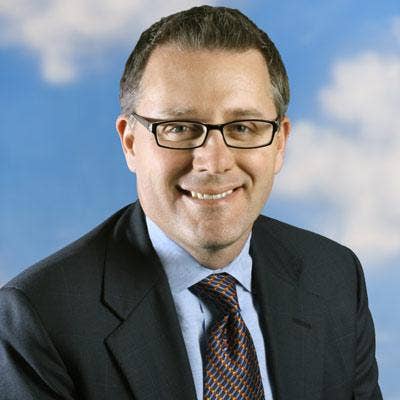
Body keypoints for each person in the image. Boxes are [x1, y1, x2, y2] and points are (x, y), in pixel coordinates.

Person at [0, 5, 382, 400]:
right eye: (179, 127)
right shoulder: (40, 318)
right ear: (130, 143)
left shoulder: (334, 277)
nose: (214, 162)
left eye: (243, 127)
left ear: (280, 143)